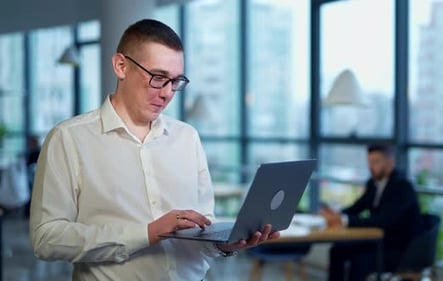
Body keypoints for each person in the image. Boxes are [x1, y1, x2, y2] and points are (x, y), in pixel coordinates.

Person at [29, 19, 279, 280]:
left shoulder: (187, 137)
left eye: (175, 81)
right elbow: (46, 238)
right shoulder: (69, 138)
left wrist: (225, 244)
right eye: (158, 78)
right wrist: (148, 233)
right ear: (121, 66)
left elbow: (202, 231)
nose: (167, 93)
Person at [320, 143, 423, 281]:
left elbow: (383, 221)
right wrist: (336, 214)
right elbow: (357, 207)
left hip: (398, 249)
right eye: (369, 162)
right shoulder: (373, 183)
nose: (371, 167)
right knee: (338, 250)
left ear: (390, 162)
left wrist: (344, 220)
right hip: (377, 242)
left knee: (359, 260)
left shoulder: (402, 187)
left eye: (375, 162)